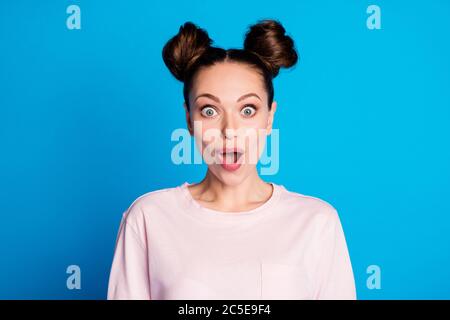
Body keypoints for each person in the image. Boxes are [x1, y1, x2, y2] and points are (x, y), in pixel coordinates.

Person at [107, 19, 356, 300]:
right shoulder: (148, 218)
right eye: (210, 111)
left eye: (248, 110)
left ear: (269, 117)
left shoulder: (317, 222)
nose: (230, 131)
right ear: (189, 120)